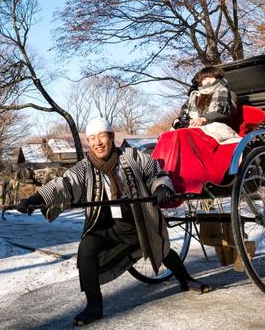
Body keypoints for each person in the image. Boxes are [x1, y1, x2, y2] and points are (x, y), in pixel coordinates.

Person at [15, 117, 209, 326]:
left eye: (102, 136)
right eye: (92, 138)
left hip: (138, 222)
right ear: (88, 142)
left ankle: (185, 279)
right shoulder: (84, 167)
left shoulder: (133, 157)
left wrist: (161, 187)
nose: (98, 142)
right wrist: (36, 199)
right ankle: (94, 306)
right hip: (106, 227)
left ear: (111, 137)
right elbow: (64, 184)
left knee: (159, 247)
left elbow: (156, 173)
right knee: (86, 248)